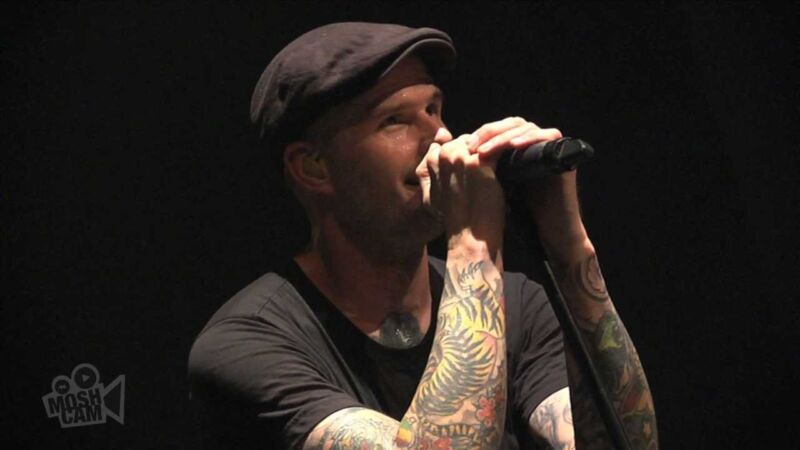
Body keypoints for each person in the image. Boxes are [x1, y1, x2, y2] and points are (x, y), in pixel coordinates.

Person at [188, 22, 657, 450]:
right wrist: (472, 241)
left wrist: (569, 246)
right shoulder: (246, 345)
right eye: (394, 120)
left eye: (434, 109)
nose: (441, 137)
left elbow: (624, 443)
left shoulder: (520, 306)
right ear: (313, 167)